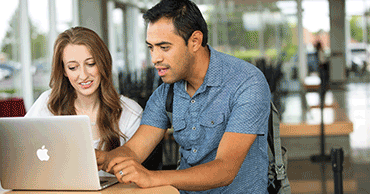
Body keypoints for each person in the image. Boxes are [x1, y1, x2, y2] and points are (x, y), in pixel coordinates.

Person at [96, 0, 271, 193]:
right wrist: (104, 158)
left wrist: (151, 177)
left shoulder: (246, 82)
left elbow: (225, 169)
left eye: (164, 47)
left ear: (195, 41)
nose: (155, 58)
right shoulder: (165, 93)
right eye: (151, 48)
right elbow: (133, 151)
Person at [25, 27, 143, 176]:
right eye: (73, 67)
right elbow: (21, 151)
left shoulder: (130, 113)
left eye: (91, 64)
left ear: (103, 63)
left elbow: (138, 175)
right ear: (64, 71)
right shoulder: (47, 104)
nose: (83, 75)